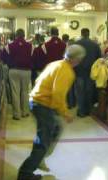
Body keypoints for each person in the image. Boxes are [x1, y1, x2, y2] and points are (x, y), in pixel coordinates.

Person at [17, 45, 86, 180]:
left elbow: (38, 80)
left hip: (37, 100)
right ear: (77, 59)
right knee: (43, 140)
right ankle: (25, 174)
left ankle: (39, 158)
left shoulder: (55, 64)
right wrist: (64, 112)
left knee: (55, 128)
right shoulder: (67, 71)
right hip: (42, 104)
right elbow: (58, 94)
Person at [7, 28, 33, 120]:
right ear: (24, 35)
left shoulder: (10, 45)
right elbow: (32, 58)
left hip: (14, 70)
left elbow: (5, 57)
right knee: (25, 92)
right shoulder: (30, 45)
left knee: (15, 92)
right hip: (26, 71)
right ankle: (25, 112)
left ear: (16, 35)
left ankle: (16, 114)